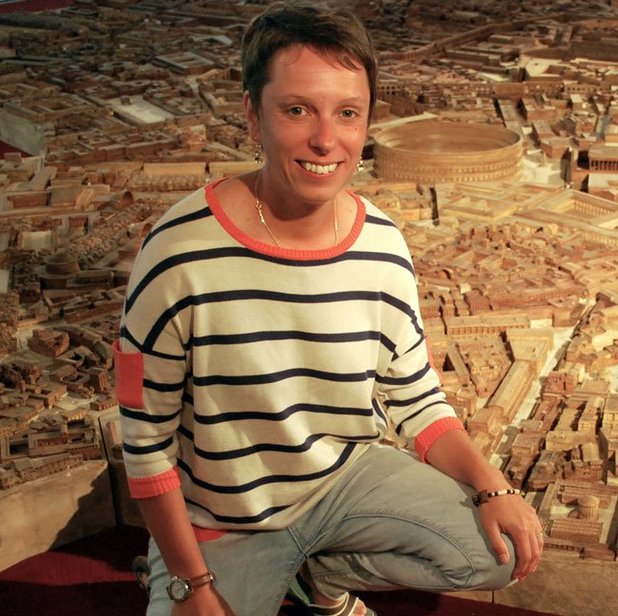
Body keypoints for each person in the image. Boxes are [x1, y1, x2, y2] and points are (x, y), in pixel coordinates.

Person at [114, 2, 543, 614]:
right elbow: (145, 439)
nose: (325, 139)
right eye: (297, 110)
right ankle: (171, 566)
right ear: (253, 115)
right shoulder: (177, 253)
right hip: (223, 522)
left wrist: (493, 487)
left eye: (347, 113)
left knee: (499, 551)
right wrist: (192, 583)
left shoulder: (382, 245)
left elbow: (416, 396)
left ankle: (322, 578)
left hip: (344, 484)